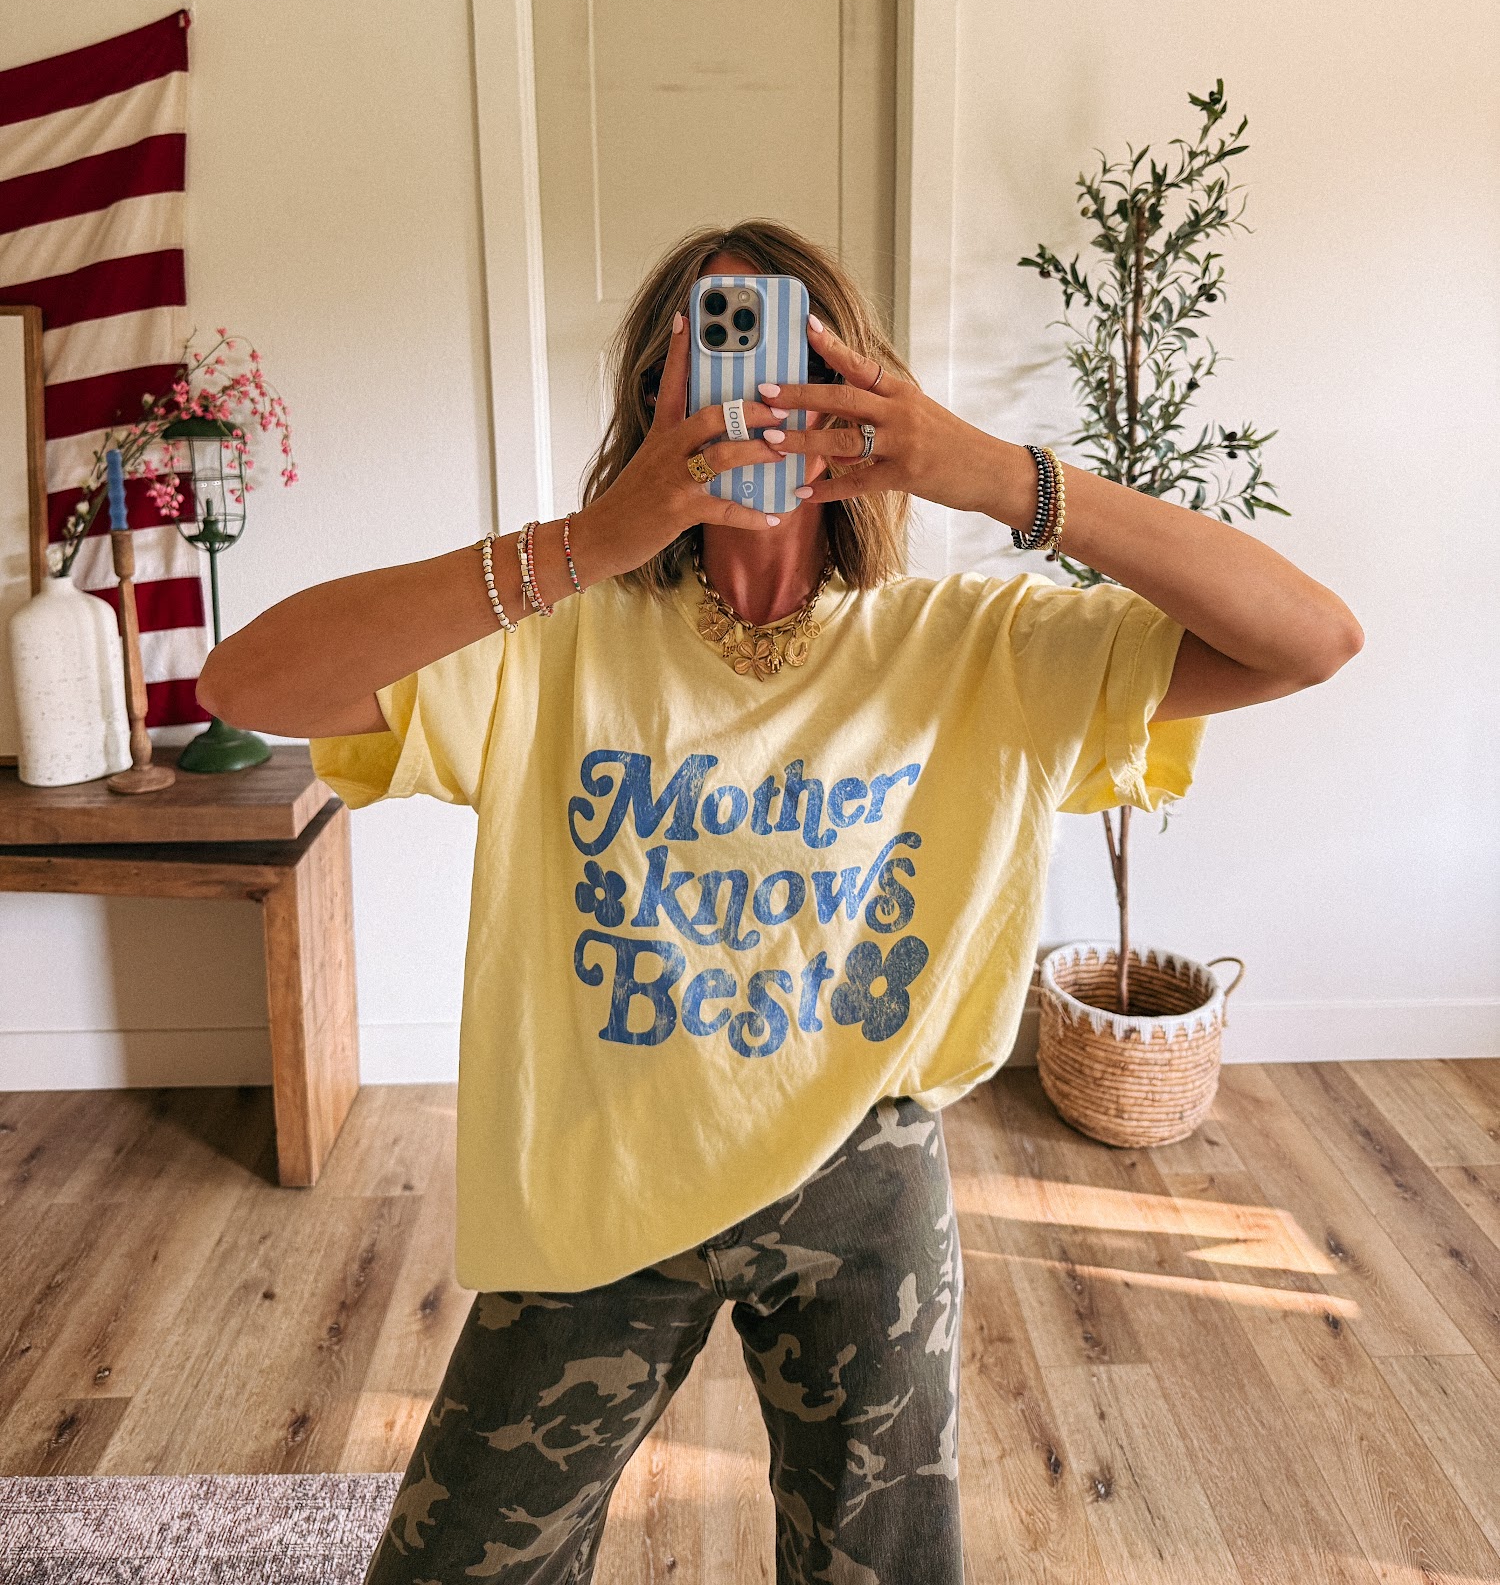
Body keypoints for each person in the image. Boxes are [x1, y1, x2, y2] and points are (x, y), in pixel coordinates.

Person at [198, 220, 1361, 1585]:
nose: (751, 398)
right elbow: (246, 687)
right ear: (651, 402)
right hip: (599, 1171)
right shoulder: (545, 643)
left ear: (860, 396)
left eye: (794, 363)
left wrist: (994, 474)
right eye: (709, 360)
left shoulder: (972, 647)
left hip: (861, 1177)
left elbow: (1312, 640)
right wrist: (591, 540)